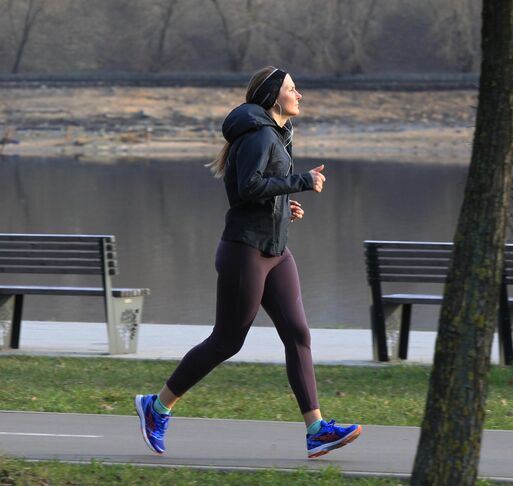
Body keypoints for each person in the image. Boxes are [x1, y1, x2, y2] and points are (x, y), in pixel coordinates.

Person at [134, 66, 361, 459]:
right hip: (246, 252)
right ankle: (156, 408)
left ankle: (316, 430)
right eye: (293, 89)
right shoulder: (259, 134)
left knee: (298, 334)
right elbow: (247, 188)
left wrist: (283, 207)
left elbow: (260, 190)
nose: (300, 95)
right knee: (226, 341)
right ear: (275, 96)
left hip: (275, 250)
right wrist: (301, 181)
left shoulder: (275, 133)